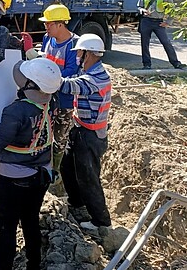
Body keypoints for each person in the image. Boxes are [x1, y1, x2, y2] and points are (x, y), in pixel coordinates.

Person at [0, 58, 62, 270]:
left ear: (31, 86)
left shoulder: (16, 111)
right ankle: (34, 265)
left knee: (8, 228)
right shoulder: (51, 102)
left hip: (14, 180)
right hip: (41, 175)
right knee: (30, 221)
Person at [59, 33, 112, 232]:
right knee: (67, 166)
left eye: (79, 52)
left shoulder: (96, 78)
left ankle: (101, 221)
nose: (77, 56)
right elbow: (72, 78)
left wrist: (45, 76)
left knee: (88, 177)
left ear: (87, 54)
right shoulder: (89, 71)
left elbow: (68, 86)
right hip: (80, 129)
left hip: (91, 136)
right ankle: (76, 202)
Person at [38, 4, 79, 172]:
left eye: (49, 23)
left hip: (64, 100)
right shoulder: (47, 39)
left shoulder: (74, 44)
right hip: (45, 98)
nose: (46, 27)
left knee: (59, 138)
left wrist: (49, 76)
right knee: (42, 135)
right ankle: (43, 166)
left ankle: (55, 172)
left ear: (61, 24)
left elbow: (71, 71)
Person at [137, 0, 185, 70]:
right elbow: (139, 6)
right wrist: (143, 11)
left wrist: (167, 22)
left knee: (166, 42)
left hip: (159, 22)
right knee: (144, 44)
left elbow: (172, 10)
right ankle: (146, 64)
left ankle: (175, 63)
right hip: (146, 21)